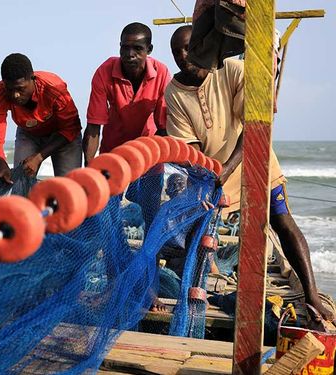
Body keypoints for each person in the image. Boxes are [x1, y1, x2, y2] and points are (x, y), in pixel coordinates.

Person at [165, 25, 334, 321]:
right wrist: (210, 176)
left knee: (282, 222)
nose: (183, 56)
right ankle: (195, 295)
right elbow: (190, 147)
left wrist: (228, 166)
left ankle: (311, 295)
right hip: (215, 173)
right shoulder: (174, 92)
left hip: (257, 162)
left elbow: (253, 126)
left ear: (203, 47)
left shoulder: (232, 70)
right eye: (176, 51)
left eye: (189, 48)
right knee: (198, 231)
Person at [0, 53, 82, 183]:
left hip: (62, 136)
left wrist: (39, 157)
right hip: (29, 134)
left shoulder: (53, 88)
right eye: (10, 89)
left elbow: (71, 127)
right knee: (19, 186)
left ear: (32, 78)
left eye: (20, 88)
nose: (16, 95)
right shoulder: (0, 92)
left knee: (68, 189)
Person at [83, 22, 171, 163]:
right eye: (125, 48)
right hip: (113, 152)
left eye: (137, 49)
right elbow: (94, 126)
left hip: (147, 154)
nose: (130, 54)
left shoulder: (161, 73)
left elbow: (164, 127)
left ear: (149, 50)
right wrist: (89, 167)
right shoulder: (104, 71)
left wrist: (157, 162)